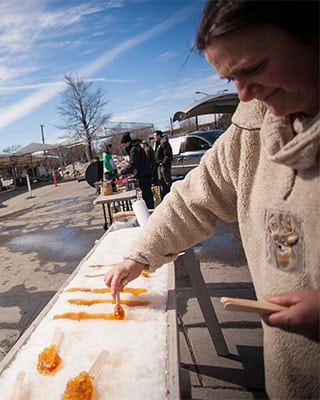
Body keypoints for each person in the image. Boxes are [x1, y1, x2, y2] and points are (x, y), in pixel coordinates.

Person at [104, 2, 319, 398]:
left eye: (253, 68)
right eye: (230, 78)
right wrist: (140, 254)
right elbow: (192, 200)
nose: (244, 93)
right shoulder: (249, 130)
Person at [119, 132, 154, 209]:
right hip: (143, 174)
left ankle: (150, 210)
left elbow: (132, 164)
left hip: (143, 175)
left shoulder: (134, 150)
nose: (124, 148)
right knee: (147, 194)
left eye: (124, 145)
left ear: (128, 142)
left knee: (147, 195)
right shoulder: (135, 148)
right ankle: (149, 208)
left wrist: (122, 172)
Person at [153, 130, 173, 199]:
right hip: (159, 165)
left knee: (166, 181)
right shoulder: (157, 144)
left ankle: (170, 194)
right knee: (161, 181)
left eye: (155, 136)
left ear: (159, 136)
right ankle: (164, 196)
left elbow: (167, 155)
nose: (154, 138)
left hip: (164, 166)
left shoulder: (164, 143)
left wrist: (163, 162)